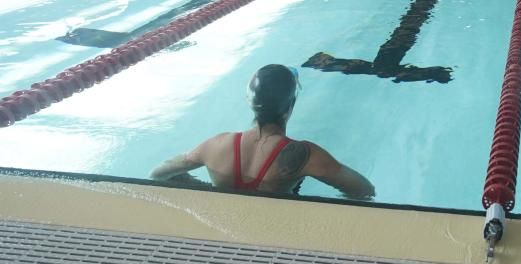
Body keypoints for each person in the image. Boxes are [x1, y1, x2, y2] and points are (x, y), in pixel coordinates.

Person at [151, 64, 376, 198]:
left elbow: (159, 174)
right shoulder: (306, 155)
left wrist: (207, 189)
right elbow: (363, 191)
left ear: (250, 103)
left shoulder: (215, 146)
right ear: (289, 108)